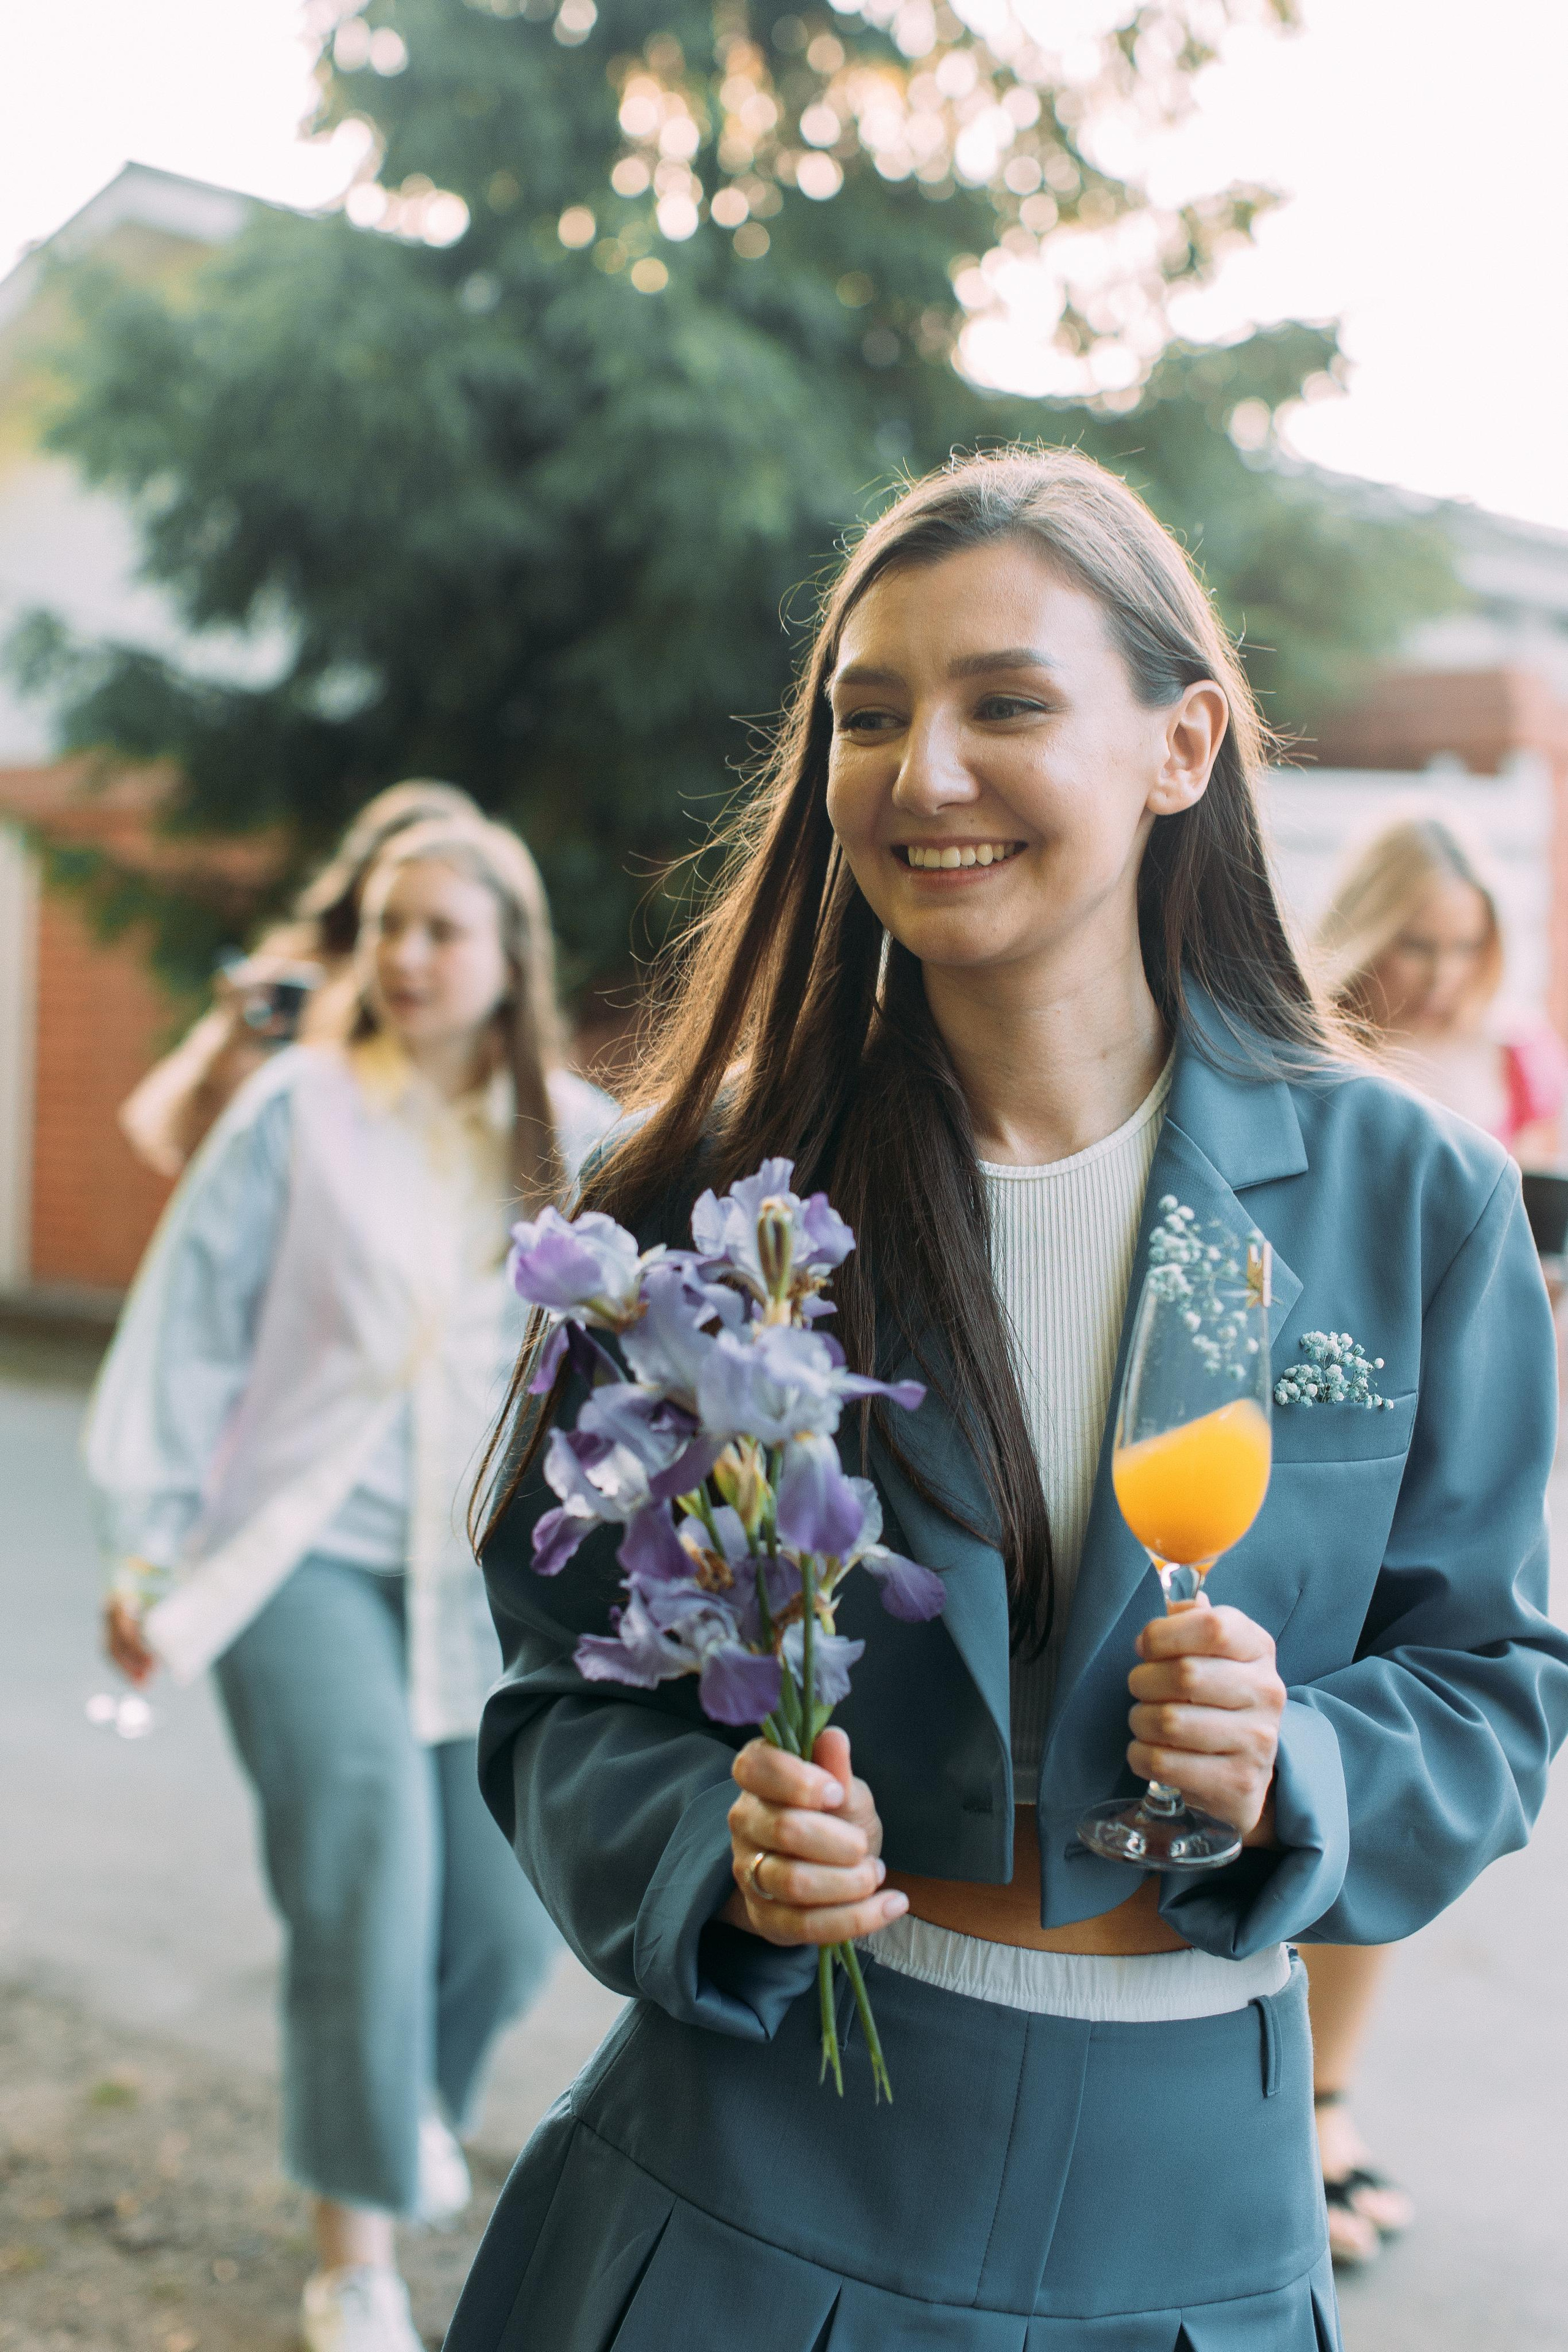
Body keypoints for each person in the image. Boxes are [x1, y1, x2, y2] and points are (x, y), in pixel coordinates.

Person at [443, 450, 1568, 2352]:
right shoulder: (701, 1207)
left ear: (1181, 743)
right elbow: (561, 1694)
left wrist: (1292, 1757)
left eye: (1007, 704)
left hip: (1194, 2225)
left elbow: (1491, 1685)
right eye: (866, 717)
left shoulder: (1413, 1200)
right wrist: (706, 1841)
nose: (922, 771)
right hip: (748, 2189)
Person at [86, 816, 617, 2352]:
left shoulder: (577, 1136)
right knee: (365, 1862)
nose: (402, 956)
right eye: (385, 925)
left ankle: (404, 2119)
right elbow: (187, 1331)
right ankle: (357, 2252)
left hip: (485, 1571)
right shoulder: (296, 1109)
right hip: (290, 1549)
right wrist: (144, 1539)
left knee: (501, 1926)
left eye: (440, 929)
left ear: (509, 955)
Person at [1300, 811, 1568, 2264]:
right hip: (1333, 1426)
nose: (1442, 969)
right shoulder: (1304, 1053)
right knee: (1283, 1755)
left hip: (1471, 1442)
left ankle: (1326, 2100)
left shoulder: (1520, 1061)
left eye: (1466, 944)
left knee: (1394, 1777)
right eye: (1416, 936)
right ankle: (1265, 2095)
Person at [119, 777, 481, 1178]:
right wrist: (229, 1043)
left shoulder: (484, 1011)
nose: (408, 959)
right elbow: (171, 1135)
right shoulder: (296, 974)